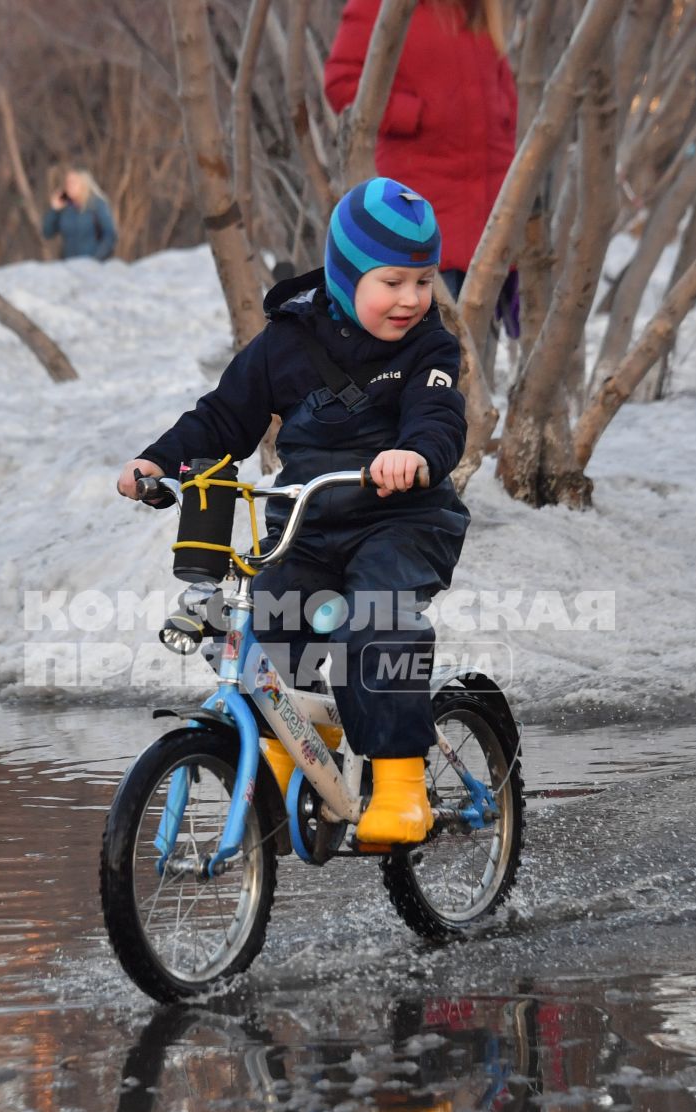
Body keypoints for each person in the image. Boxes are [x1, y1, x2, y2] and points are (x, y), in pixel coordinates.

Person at [115, 178, 469, 849]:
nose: (412, 300)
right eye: (392, 281)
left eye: (423, 282)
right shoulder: (288, 343)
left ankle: (398, 785)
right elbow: (223, 418)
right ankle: (290, 759)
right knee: (272, 622)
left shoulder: (427, 347)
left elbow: (439, 415)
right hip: (306, 525)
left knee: (380, 620)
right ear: (346, 272)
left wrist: (415, 454)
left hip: (403, 521)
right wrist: (159, 463)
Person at [324, 0, 516, 307]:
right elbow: (342, 83)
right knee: (427, 341)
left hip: (488, 222)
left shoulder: (477, 8)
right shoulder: (378, 6)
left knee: (474, 347)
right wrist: (414, 115)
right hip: (419, 209)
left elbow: (504, 106)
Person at [41, 167, 116, 262]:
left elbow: (110, 236)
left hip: (93, 265)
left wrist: (96, 259)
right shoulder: (65, 206)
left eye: (73, 182)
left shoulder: (97, 205)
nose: (69, 186)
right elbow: (47, 233)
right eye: (67, 182)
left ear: (84, 184)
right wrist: (54, 210)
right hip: (69, 265)